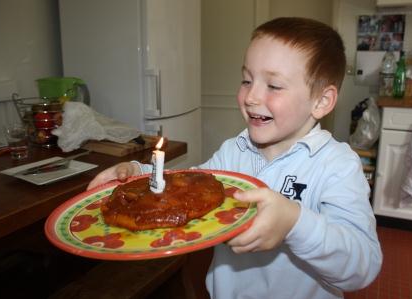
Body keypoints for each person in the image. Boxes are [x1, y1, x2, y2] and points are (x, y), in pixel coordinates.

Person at [88, 17, 382, 299]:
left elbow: (363, 266)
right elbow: (182, 188)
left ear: (321, 101)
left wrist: (295, 223)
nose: (251, 97)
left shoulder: (337, 166)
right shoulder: (234, 150)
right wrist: (137, 174)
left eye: (274, 85)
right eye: (246, 80)